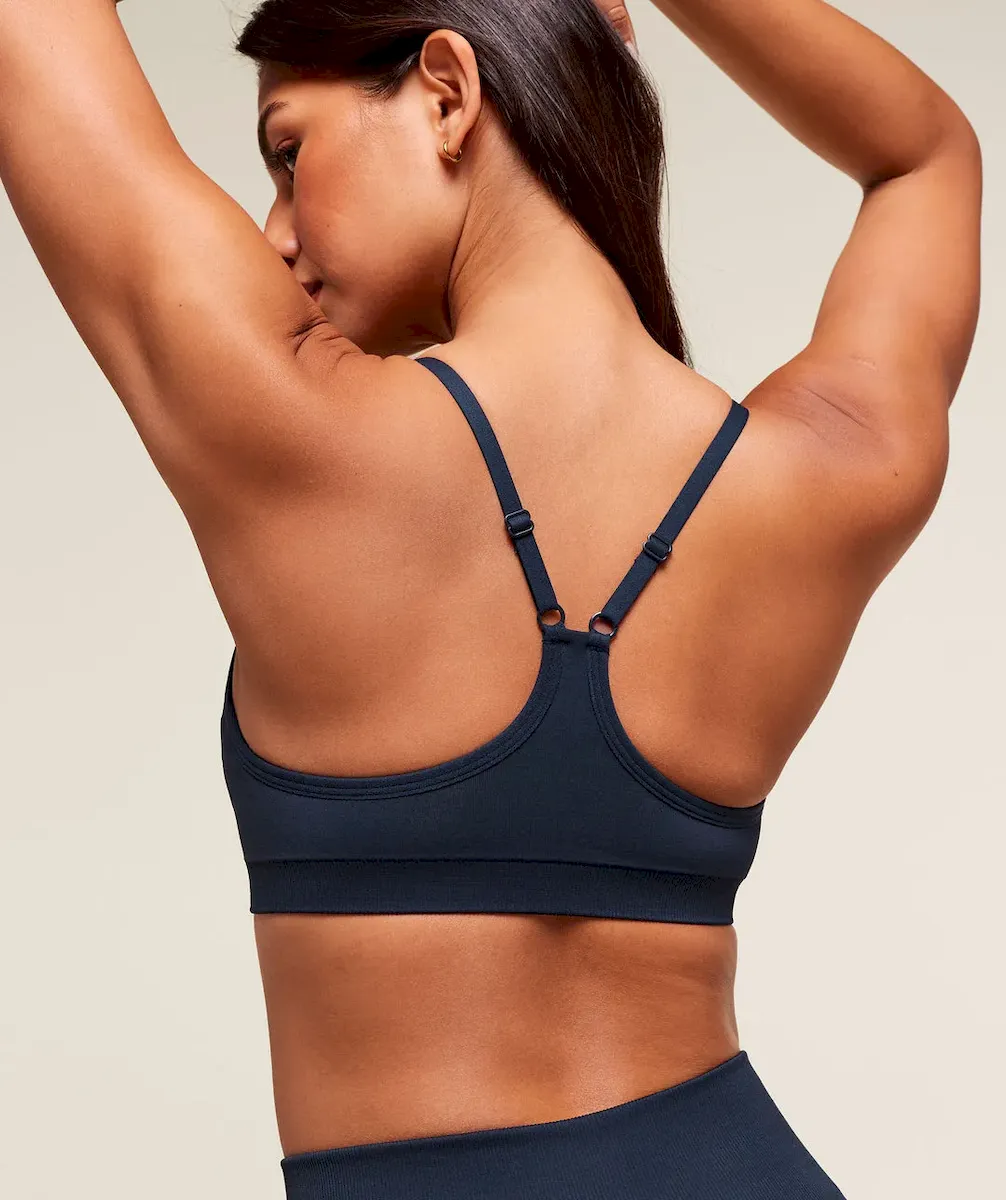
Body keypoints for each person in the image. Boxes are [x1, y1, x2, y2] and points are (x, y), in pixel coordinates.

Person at [0, 1, 981, 1197]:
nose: (274, 231)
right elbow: (923, 156)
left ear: (447, 93)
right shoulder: (830, 466)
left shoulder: (297, 434)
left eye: (288, 151)